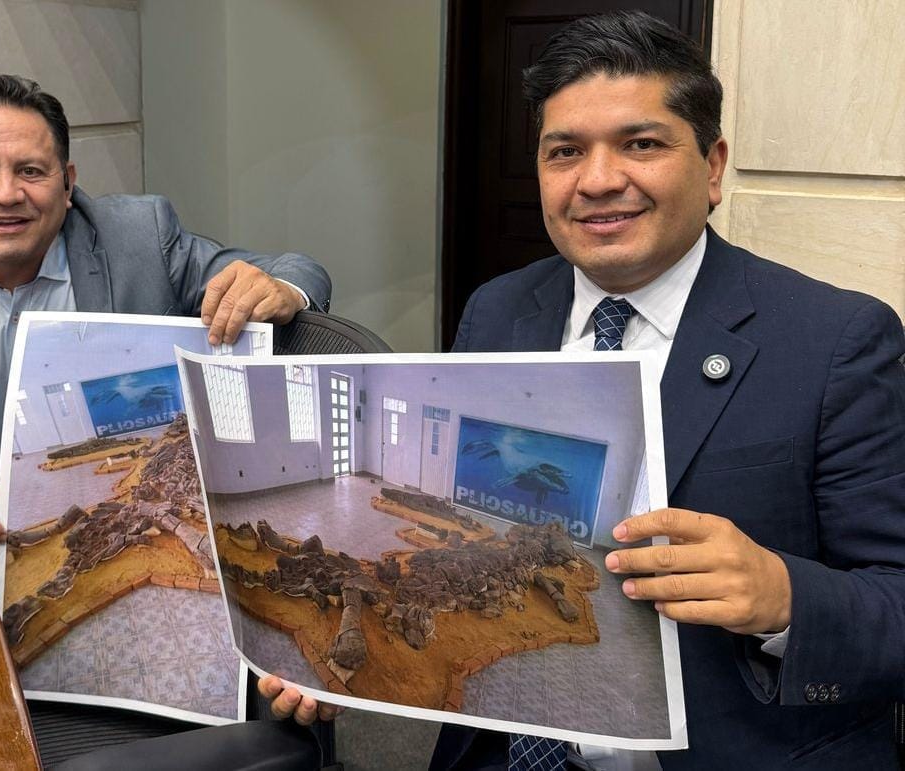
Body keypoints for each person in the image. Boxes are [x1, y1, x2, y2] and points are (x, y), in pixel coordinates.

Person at [262, 11, 905, 770]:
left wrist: (783, 596)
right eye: (565, 151)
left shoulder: (834, 341)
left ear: (713, 166)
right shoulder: (498, 310)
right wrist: (365, 656)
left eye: (642, 144)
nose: (598, 181)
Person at [0, 75, 331, 561]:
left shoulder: (140, 237)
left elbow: (294, 270)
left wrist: (282, 289)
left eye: (31, 171)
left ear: (67, 182)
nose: (6, 194)